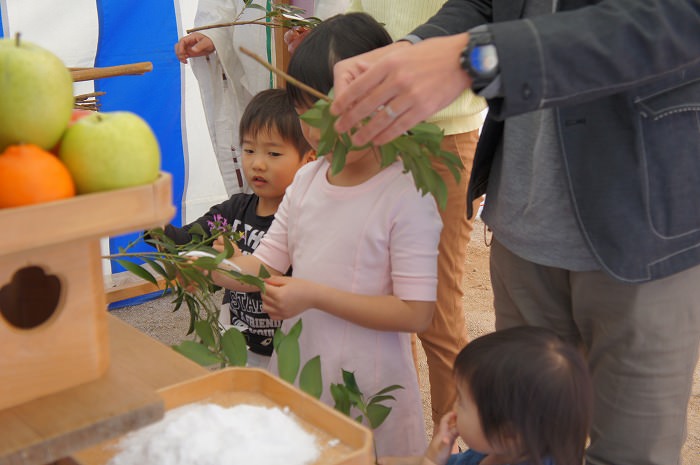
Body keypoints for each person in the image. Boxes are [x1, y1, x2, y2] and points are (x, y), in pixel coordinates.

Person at [328, 2, 700, 465]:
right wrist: (409, 51)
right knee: (516, 443)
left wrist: (478, 56)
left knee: (628, 452)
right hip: (521, 218)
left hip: (644, 221)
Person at [208, 12, 443, 456]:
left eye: (329, 112)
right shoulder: (308, 180)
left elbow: (415, 313)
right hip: (301, 369)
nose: (315, 130)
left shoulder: (406, 193)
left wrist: (312, 296)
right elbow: (265, 263)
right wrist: (209, 266)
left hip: (369, 388)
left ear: (385, 100)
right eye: (303, 114)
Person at [286, 0, 488, 433]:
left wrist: (397, 63)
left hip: (439, 128)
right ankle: (392, 427)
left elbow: (477, 12)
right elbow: (359, 10)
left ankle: (448, 441)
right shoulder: (309, 177)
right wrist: (323, 48)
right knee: (376, 293)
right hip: (359, 121)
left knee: (434, 311)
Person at [162, 88, 314, 368]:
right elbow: (183, 241)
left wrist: (229, 263)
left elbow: (270, 274)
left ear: (309, 160)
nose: (257, 163)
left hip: (291, 351)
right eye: (249, 150)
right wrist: (152, 222)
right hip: (239, 343)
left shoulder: (305, 219)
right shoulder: (233, 211)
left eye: (273, 153)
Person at [382, 326, 593, 465]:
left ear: (508, 433)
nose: (454, 408)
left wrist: (430, 461)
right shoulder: (491, 450)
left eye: (462, 402)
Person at [174, 0, 271, 196]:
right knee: (266, 144)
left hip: (317, 66)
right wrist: (213, 33)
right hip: (255, 84)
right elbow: (223, 8)